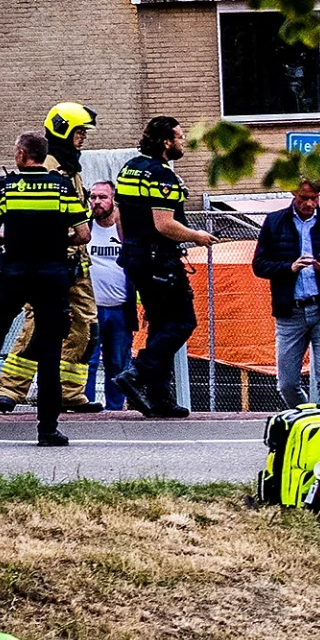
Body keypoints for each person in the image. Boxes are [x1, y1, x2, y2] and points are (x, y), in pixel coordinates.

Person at [0, 132, 82, 445]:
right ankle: (48, 429)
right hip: (53, 275)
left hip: (13, 273)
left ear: (22, 154)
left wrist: (9, 241)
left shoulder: (7, 187)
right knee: (51, 349)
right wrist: (56, 242)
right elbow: (83, 234)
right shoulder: (62, 187)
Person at [116, 117, 214, 418]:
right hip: (159, 259)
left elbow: (120, 215)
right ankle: (137, 374)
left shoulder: (129, 168)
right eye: (179, 137)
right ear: (166, 142)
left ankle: (160, 398)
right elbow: (164, 224)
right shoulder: (162, 175)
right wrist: (197, 236)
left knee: (160, 324)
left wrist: (133, 246)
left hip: (134, 256)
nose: (183, 142)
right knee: (182, 322)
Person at [250, 183, 320, 412]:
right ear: (293, 194)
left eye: (314, 198)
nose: (309, 204)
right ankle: (306, 417)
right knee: (287, 382)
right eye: (303, 198)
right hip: (290, 312)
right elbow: (259, 265)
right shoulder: (275, 222)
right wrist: (290, 267)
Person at [85, 187, 135, 412]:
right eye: (93, 197)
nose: (97, 202)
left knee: (117, 362)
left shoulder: (125, 230)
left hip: (120, 309)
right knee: (88, 361)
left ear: (113, 200)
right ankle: (84, 404)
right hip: (90, 309)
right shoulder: (85, 228)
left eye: (103, 197)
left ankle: (115, 409)